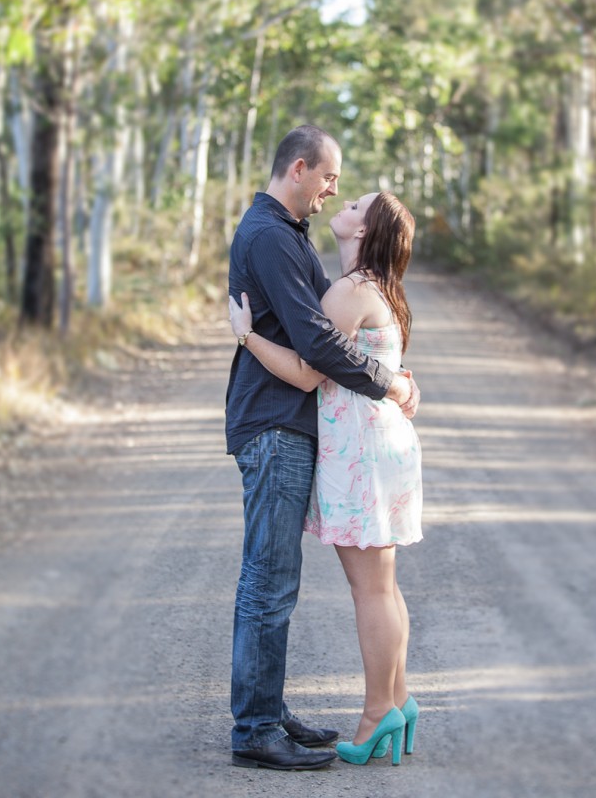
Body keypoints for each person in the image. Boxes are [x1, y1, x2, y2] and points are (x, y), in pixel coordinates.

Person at [225, 125, 419, 771]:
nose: (335, 190)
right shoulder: (272, 237)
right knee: (269, 582)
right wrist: (389, 380)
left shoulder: (290, 238)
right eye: (332, 178)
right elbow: (316, 352)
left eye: (347, 192)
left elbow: (326, 342)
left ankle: (269, 713)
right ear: (302, 168)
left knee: (283, 582)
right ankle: (256, 727)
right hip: (275, 425)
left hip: (296, 425)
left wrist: (388, 377)